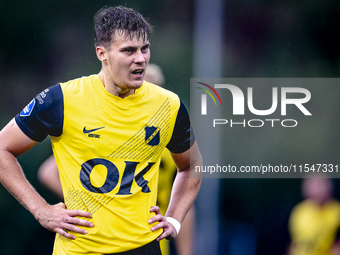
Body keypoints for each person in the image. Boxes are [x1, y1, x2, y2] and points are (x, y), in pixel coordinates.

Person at [0, 6, 202, 255]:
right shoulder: (61, 100)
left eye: (144, 48)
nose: (140, 59)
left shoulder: (168, 105)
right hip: (79, 250)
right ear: (102, 53)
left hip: (143, 248)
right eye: (128, 50)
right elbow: (2, 149)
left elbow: (192, 165)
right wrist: (40, 210)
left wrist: (174, 218)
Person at [37, 63, 196, 255]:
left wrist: (174, 223)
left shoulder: (167, 146)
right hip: (93, 239)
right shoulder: (105, 132)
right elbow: (46, 172)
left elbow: (187, 182)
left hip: (147, 240)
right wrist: (87, 202)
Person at [288, 176, 340, 255]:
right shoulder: (299, 212)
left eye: (321, 184)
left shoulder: (336, 211)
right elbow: (293, 243)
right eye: (314, 185)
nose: (318, 190)